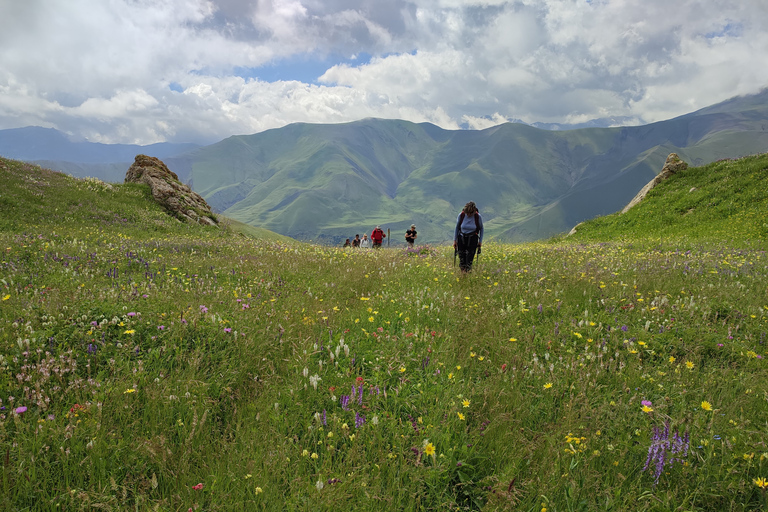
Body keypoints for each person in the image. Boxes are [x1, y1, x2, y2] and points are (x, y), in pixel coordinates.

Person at [453, 201, 483, 273]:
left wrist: (480, 241)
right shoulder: (461, 215)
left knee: (469, 259)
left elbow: (481, 228)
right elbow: (457, 227)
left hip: (473, 239)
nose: (469, 215)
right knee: (462, 259)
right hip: (461, 238)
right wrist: (455, 240)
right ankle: (463, 274)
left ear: (474, 211)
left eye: (471, 213)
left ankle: (467, 273)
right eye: (467, 213)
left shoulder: (478, 217)